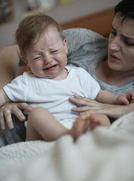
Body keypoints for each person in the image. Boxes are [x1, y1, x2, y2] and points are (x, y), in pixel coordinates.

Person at [0, 0, 134, 143]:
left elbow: (99, 94)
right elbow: (9, 54)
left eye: (129, 42)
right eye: (113, 32)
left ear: (64, 47)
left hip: (80, 129)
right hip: (37, 135)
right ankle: (67, 136)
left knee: (101, 119)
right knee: (37, 115)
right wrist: (8, 101)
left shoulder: (78, 75)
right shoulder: (85, 42)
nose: (112, 46)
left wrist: (118, 102)